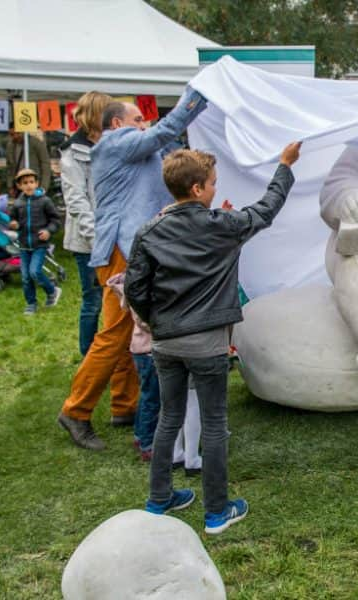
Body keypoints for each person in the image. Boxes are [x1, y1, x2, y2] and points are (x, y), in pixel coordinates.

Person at [125, 143, 301, 534]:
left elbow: (135, 289)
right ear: (196, 189)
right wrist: (284, 165)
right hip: (206, 344)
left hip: (166, 343)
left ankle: (159, 501)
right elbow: (266, 209)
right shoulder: (223, 225)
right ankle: (217, 513)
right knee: (215, 424)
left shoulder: (148, 231)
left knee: (168, 418)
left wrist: (157, 321)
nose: (213, 188)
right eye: (212, 184)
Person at [57, 91, 207, 451]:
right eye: (138, 119)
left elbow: (167, 142)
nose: (145, 124)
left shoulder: (131, 147)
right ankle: (76, 410)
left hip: (130, 249)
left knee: (127, 332)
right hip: (122, 251)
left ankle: (125, 406)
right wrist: (198, 96)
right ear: (116, 124)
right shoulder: (116, 143)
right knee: (113, 333)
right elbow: (163, 132)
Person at [60, 91, 112, 356]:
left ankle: (115, 354)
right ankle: (89, 356)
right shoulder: (72, 153)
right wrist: (96, 240)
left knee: (117, 300)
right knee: (93, 301)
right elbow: (76, 202)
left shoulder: (111, 144)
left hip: (114, 234)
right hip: (88, 241)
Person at [106, 273, 160, 461]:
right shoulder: (141, 288)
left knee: (147, 396)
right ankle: (147, 443)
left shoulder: (137, 283)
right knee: (153, 398)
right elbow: (144, 321)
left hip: (143, 349)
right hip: (148, 350)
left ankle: (140, 435)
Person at [7, 169, 61, 315]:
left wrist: (48, 231)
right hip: (24, 245)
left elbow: (56, 220)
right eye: (25, 183)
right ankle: (31, 303)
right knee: (25, 276)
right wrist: (13, 224)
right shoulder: (18, 203)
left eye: (32, 182)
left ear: (37, 183)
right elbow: (12, 219)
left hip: (40, 244)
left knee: (35, 271)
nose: (29, 185)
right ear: (19, 186)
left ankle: (52, 291)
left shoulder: (45, 201)